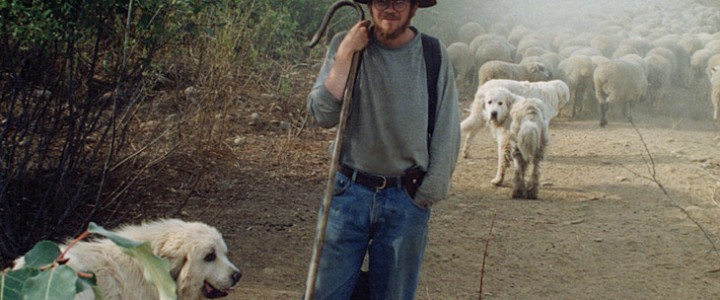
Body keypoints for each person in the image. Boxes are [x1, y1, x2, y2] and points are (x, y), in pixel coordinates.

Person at [306, 0, 460, 299]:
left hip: (405, 199)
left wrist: (425, 196)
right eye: (381, 0)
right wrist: (346, 53)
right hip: (347, 193)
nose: (389, 8)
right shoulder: (346, 44)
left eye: (399, 1)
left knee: (393, 295)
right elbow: (322, 114)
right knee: (325, 293)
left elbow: (447, 127)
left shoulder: (432, 53)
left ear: (414, 7)